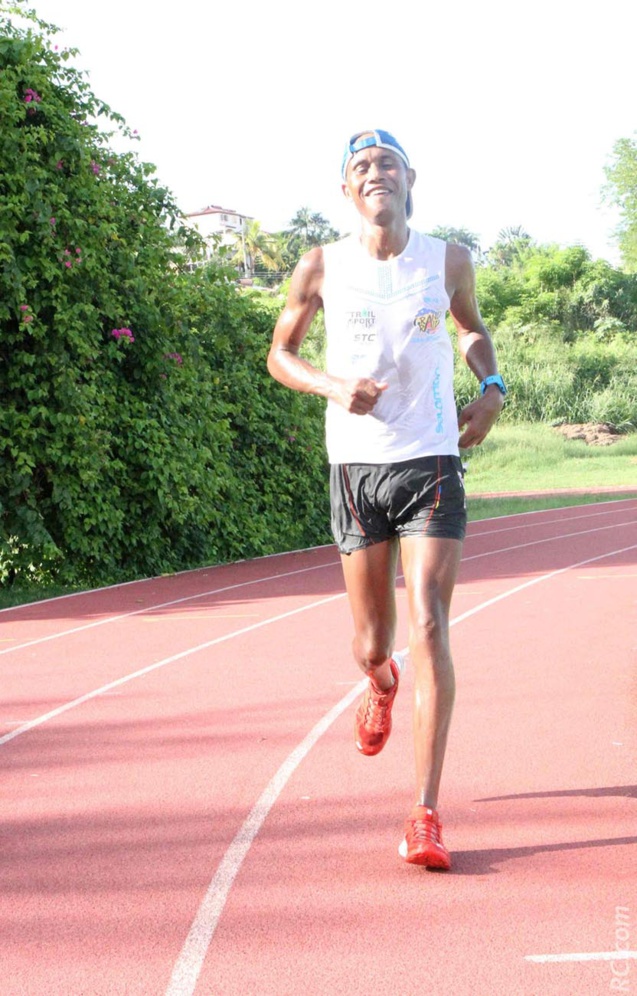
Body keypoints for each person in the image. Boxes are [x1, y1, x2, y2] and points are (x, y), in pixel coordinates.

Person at [267, 130, 505, 868]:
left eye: (388, 163)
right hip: (355, 467)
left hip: (430, 458)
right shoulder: (320, 265)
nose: (376, 173)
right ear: (346, 189)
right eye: (361, 166)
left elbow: (471, 329)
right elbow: (279, 354)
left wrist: (491, 387)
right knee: (374, 641)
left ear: (409, 179)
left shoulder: (448, 259)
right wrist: (333, 386)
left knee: (429, 621)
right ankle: (380, 681)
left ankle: (424, 813)